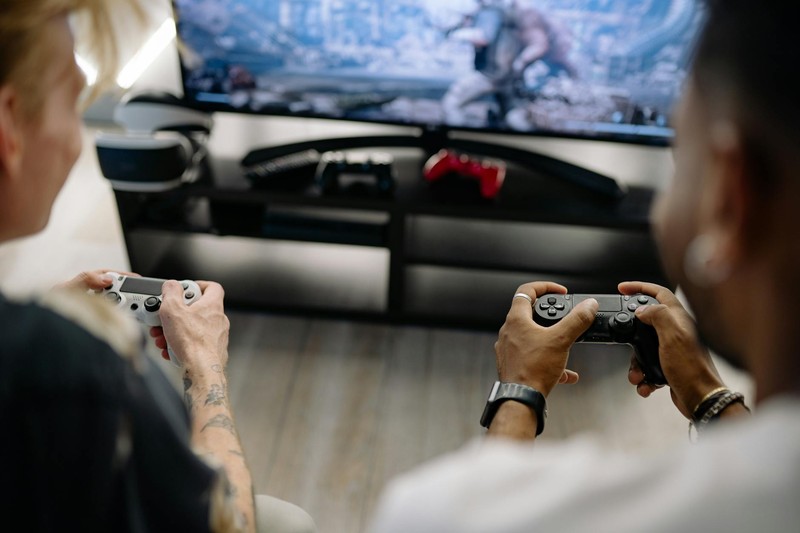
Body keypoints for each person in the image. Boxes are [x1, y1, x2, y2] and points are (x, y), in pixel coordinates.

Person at [368, 0, 800, 531]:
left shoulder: (450, 513)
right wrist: (714, 402)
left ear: (732, 199)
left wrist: (518, 393)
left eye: (679, 152)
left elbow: (464, 512)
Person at [0, 1, 314, 531]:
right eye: (74, 100)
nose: (80, 143)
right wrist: (203, 367)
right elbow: (228, 523)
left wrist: (42, 315)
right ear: (9, 125)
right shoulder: (75, 369)